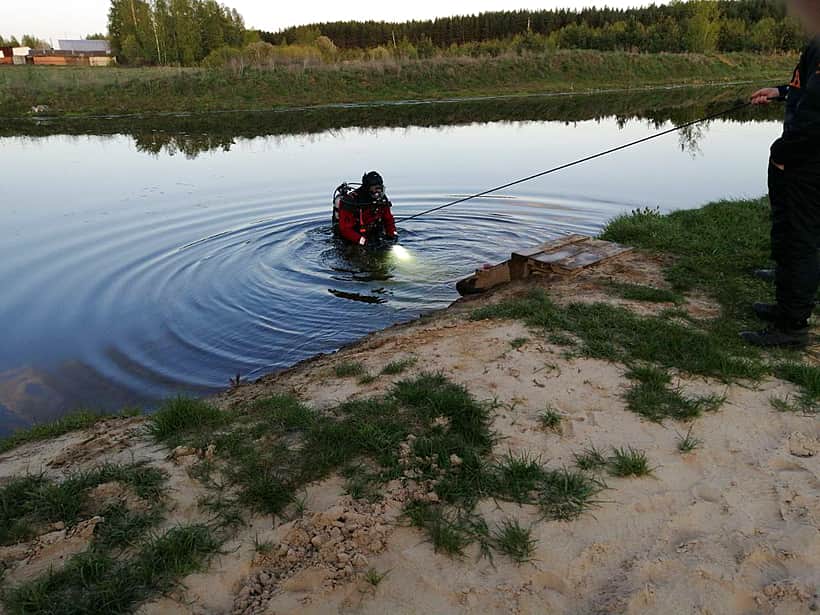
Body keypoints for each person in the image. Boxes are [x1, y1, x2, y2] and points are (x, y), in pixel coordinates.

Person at [744, 35, 820, 347]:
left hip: (806, 161)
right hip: (801, 156)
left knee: (801, 240)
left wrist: (784, 154)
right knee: (791, 234)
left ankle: (792, 327)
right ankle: (785, 306)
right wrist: (781, 92)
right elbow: (806, 92)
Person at [335, 171, 397, 246]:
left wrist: (392, 234)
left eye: (379, 187)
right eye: (374, 188)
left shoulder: (381, 199)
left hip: (372, 233)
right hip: (353, 237)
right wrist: (363, 241)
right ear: (367, 188)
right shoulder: (351, 201)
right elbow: (345, 229)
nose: (378, 191)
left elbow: (388, 219)